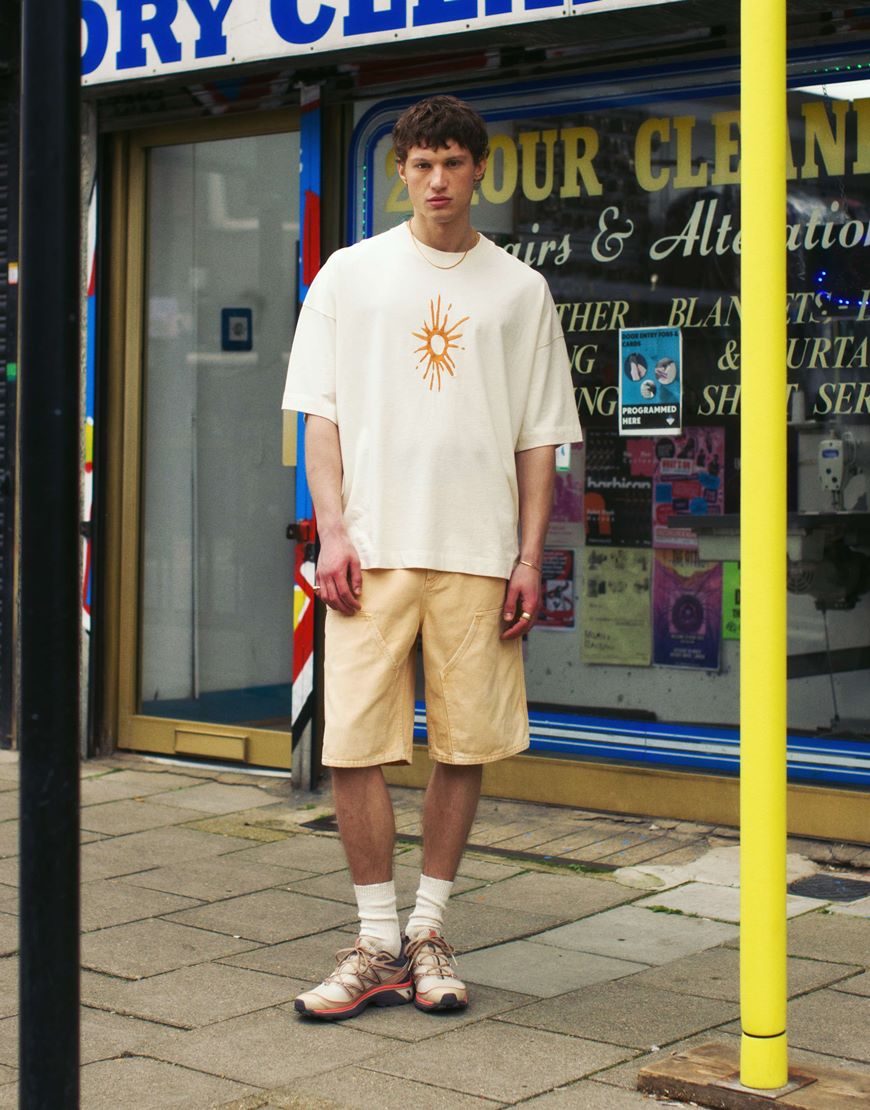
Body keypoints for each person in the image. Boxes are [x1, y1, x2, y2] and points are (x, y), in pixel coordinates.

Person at [282, 94, 582, 1021]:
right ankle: (375, 939)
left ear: (479, 169)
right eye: (422, 164)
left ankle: (429, 929)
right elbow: (318, 414)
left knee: (466, 743)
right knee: (353, 745)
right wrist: (332, 531)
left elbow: (540, 440)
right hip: (369, 550)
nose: (438, 180)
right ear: (400, 171)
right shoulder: (349, 274)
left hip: (479, 549)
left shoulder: (521, 289)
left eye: (454, 162)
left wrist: (531, 556)